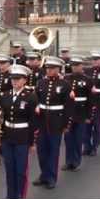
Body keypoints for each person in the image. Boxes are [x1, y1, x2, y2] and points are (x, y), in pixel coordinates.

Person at [33, 56, 71, 190]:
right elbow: (35, 99)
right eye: (47, 68)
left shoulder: (65, 84)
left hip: (57, 121)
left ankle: (51, 178)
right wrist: (36, 106)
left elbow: (68, 106)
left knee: (53, 151)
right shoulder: (41, 83)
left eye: (52, 68)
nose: (49, 70)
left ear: (58, 69)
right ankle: (43, 175)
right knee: (41, 150)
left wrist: (66, 125)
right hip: (42, 121)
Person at [0, 64, 38, 199]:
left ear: (25, 80)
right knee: (9, 169)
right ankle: (10, 195)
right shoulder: (5, 95)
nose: (14, 81)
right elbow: (2, 118)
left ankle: (20, 196)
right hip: (8, 137)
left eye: (18, 78)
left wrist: (32, 142)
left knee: (20, 171)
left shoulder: (31, 97)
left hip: (22, 137)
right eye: (12, 78)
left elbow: (33, 121)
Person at [63, 55, 92, 172]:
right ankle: (68, 161)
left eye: (77, 65)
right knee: (68, 139)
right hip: (69, 113)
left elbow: (90, 99)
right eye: (73, 65)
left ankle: (76, 162)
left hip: (81, 112)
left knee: (78, 139)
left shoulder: (87, 80)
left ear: (81, 66)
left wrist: (89, 116)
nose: (74, 68)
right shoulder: (66, 78)